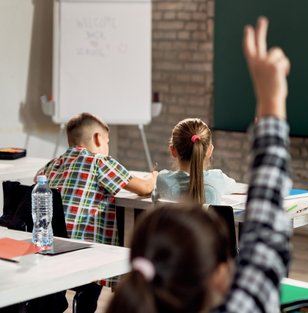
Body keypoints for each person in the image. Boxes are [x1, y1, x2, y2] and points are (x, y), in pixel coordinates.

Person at [105, 16, 292, 313]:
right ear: (220, 276)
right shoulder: (218, 180)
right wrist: (270, 100)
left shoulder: (163, 180)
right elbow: (265, 243)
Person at [36, 112, 157, 313]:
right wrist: (153, 176)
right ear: (98, 139)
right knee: (92, 288)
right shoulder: (99, 162)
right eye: (107, 141)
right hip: (85, 255)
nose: (107, 146)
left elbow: (36, 179)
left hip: (51, 252)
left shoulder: (53, 164)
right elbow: (144, 188)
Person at [157, 118, 237, 205]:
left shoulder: (163, 179)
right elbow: (235, 188)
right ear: (210, 151)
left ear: (172, 150)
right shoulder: (218, 178)